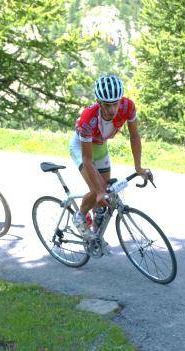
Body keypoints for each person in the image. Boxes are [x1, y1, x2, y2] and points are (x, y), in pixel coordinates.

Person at [70, 74, 152, 245]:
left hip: (100, 146)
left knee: (104, 195)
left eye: (116, 103)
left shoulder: (127, 107)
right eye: (108, 105)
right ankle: (79, 216)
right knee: (97, 190)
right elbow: (87, 159)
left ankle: (95, 238)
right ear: (99, 102)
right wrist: (99, 191)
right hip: (82, 147)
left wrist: (139, 167)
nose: (113, 109)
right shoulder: (88, 119)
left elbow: (134, 136)